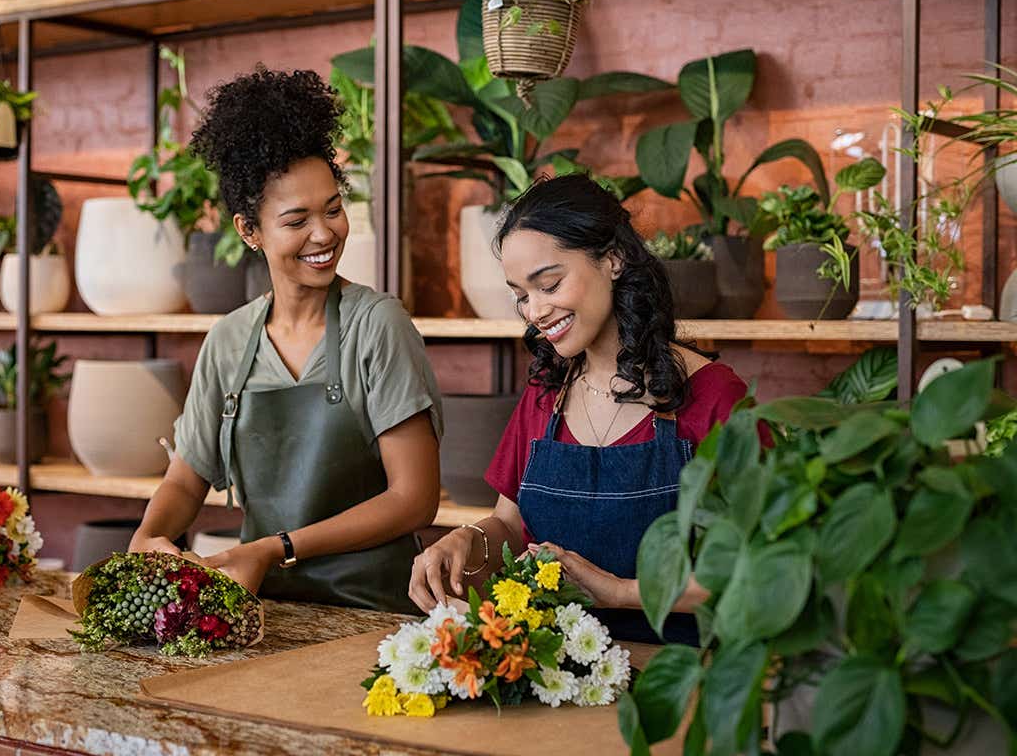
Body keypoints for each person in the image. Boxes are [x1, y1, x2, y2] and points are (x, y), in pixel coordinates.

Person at [129, 67, 442, 615]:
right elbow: (186, 480)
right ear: (249, 231)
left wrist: (275, 549)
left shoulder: (378, 325)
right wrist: (146, 541)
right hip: (267, 611)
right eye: (296, 220)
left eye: (333, 209)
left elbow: (414, 499)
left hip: (371, 613)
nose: (323, 234)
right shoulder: (228, 341)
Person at [408, 173, 754, 644]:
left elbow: (757, 571)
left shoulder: (714, 397)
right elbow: (510, 523)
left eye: (549, 284)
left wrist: (619, 591)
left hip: (675, 673)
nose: (535, 311)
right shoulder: (547, 394)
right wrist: (468, 541)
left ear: (613, 259)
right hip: (551, 668)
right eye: (522, 296)